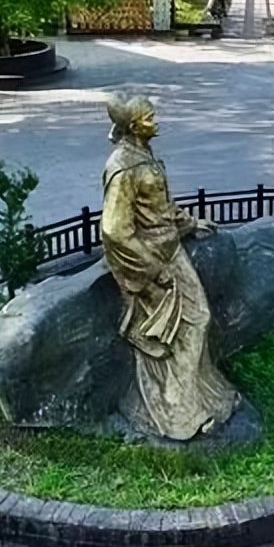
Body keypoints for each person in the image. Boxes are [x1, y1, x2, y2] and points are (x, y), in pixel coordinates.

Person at [100, 95, 240, 440]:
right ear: (134, 126)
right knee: (179, 327)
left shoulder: (143, 155)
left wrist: (189, 224)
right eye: (150, 117)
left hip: (169, 249)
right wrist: (151, 269)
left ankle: (197, 393)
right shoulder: (122, 166)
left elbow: (159, 208)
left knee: (196, 320)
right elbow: (114, 230)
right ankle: (177, 408)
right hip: (149, 260)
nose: (156, 121)